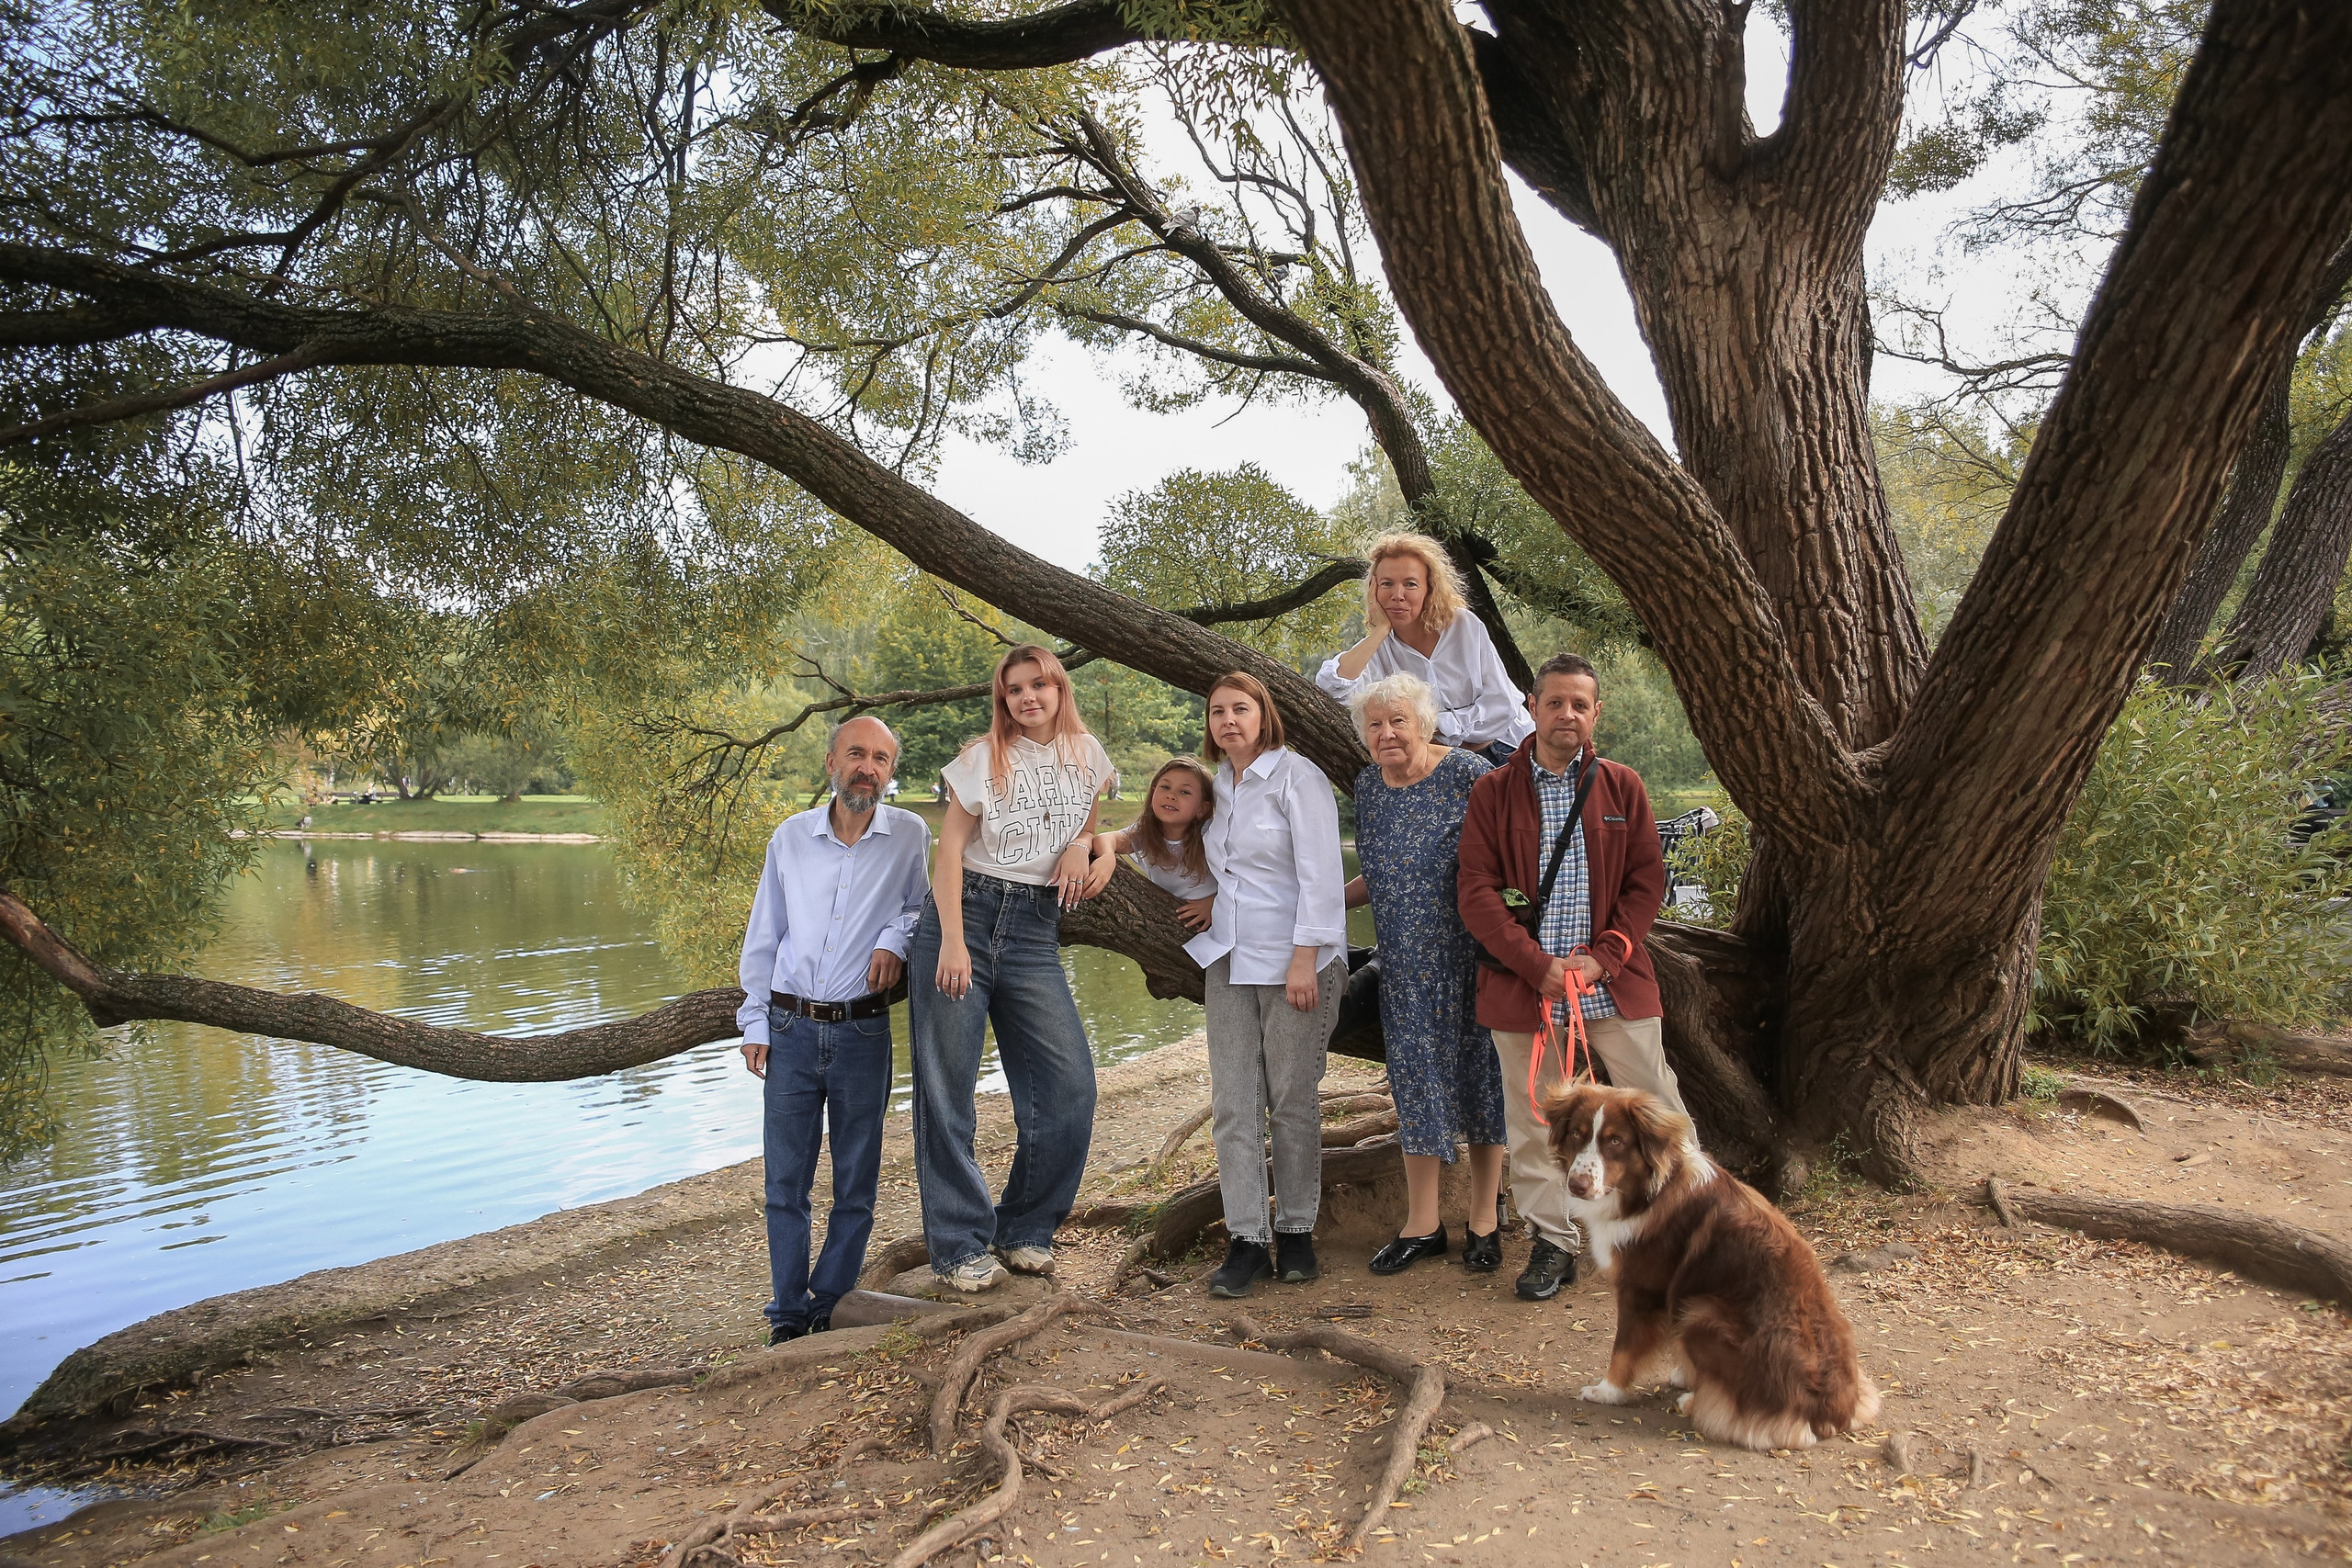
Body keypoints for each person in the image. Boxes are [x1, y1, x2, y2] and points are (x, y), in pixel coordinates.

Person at [1458, 651, 1683, 1303]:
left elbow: (1647, 882)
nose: (1567, 714)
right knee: (1534, 1125)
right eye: (1554, 702)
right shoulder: (1492, 792)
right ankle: (1554, 1243)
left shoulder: (1622, 787)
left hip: (1611, 982)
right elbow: (1475, 893)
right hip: (1526, 987)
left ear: (1596, 712)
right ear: (1531, 707)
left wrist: (1603, 956)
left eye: (1579, 704)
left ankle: (1678, 1225)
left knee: (1657, 1104)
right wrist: (1539, 966)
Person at [910, 644, 1113, 1292]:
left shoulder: (1088, 755)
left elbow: (1089, 817)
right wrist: (949, 942)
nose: (1027, 698)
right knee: (948, 1091)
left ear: (1058, 688)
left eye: (1038, 685)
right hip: (963, 914)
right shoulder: (981, 758)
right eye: (1013, 690)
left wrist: (1085, 846)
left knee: (1071, 1083)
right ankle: (958, 1243)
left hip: (1032, 930)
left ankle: (1023, 1226)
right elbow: (948, 851)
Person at [737, 716, 931, 1343]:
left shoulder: (909, 836)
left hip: (863, 1033)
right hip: (790, 1028)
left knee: (857, 1179)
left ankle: (832, 1300)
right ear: (831, 763)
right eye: (856, 754)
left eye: (880, 758)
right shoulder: (790, 838)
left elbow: (920, 907)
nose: (867, 767)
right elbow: (765, 934)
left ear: (889, 771)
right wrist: (754, 1019)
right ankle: (788, 1313)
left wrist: (894, 939)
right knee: (784, 1183)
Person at [1340, 674, 1509, 1276]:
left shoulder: (1467, 773)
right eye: (1376, 724)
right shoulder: (1368, 786)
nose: (1387, 733)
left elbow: (1509, 852)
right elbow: (1381, 876)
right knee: (1415, 1089)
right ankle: (1423, 1224)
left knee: (1483, 1084)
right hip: (1404, 970)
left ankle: (1486, 1219)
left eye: (1398, 721)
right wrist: (1327, 904)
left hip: (1471, 962)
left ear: (1425, 723)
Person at [1193, 671, 1349, 1298]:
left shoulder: (1297, 777)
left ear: (1264, 715)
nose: (1228, 720)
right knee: (1233, 1104)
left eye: (1240, 708)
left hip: (1295, 960)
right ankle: (1247, 1240)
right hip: (1229, 960)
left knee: (1290, 1100)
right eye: (1217, 711)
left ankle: (1296, 1231)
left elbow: (1321, 874)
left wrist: (1306, 957)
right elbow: (1180, 847)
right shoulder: (1217, 787)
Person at [1317, 532, 1532, 765]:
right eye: (1387, 584)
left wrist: (1434, 726)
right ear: (1373, 590)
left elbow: (1500, 706)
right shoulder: (1377, 649)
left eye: (1410, 584)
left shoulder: (1463, 626)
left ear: (1429, 589)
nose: (1397, 595)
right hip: (1438, 763)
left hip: (1507, 747)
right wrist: (1379, 632)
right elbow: (1331, 688)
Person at [1083, 755, 1216, 931]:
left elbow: (1244, 877)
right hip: (1172, 922)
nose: (1171, 795)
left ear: (1202, 809)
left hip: (1219, 918)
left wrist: (1214, 903)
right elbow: (1106, 838)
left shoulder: (1211, 834)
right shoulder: (1145, 833)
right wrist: (1108, 857)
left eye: (1184, 792)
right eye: (1165, 787)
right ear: (1153, 792)